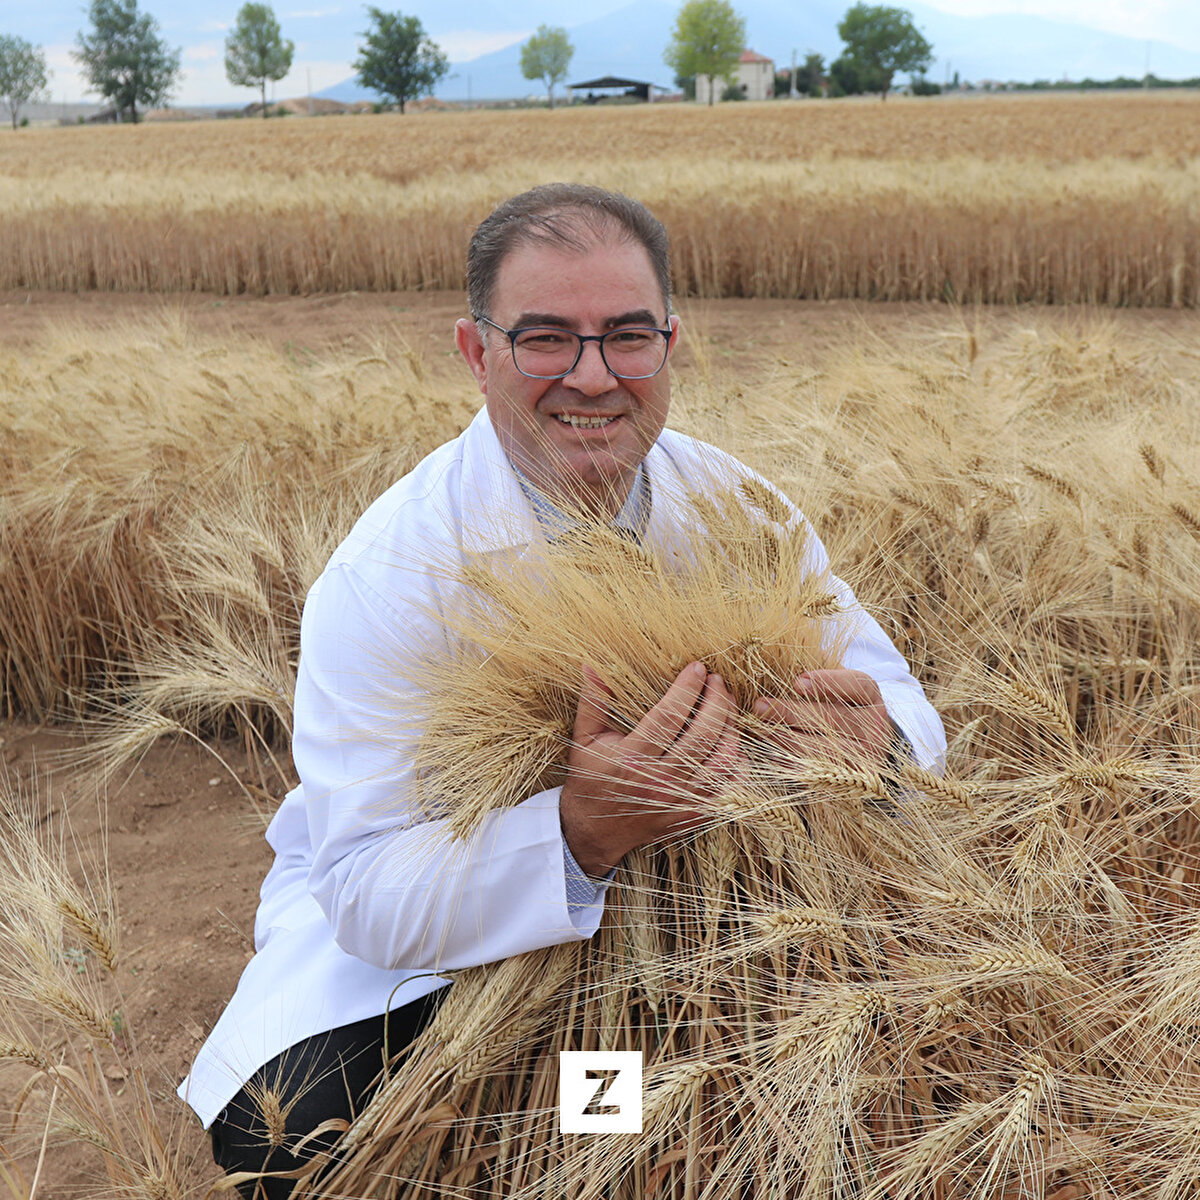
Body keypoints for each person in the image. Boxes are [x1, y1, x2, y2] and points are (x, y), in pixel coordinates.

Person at [181, 183, 946, 1196]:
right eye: (545, 339)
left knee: (891, 1078)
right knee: (285, 1136)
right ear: (476, 351)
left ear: (671, 342)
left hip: (726, 903)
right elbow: (366, 887)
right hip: (467, 930)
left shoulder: (742, 510)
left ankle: (608, 1138)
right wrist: (581, 833)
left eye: (628, 336)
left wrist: (882, 746)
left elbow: (897, 698)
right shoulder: (390, 573)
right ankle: (583, 1140)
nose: (594, 376)